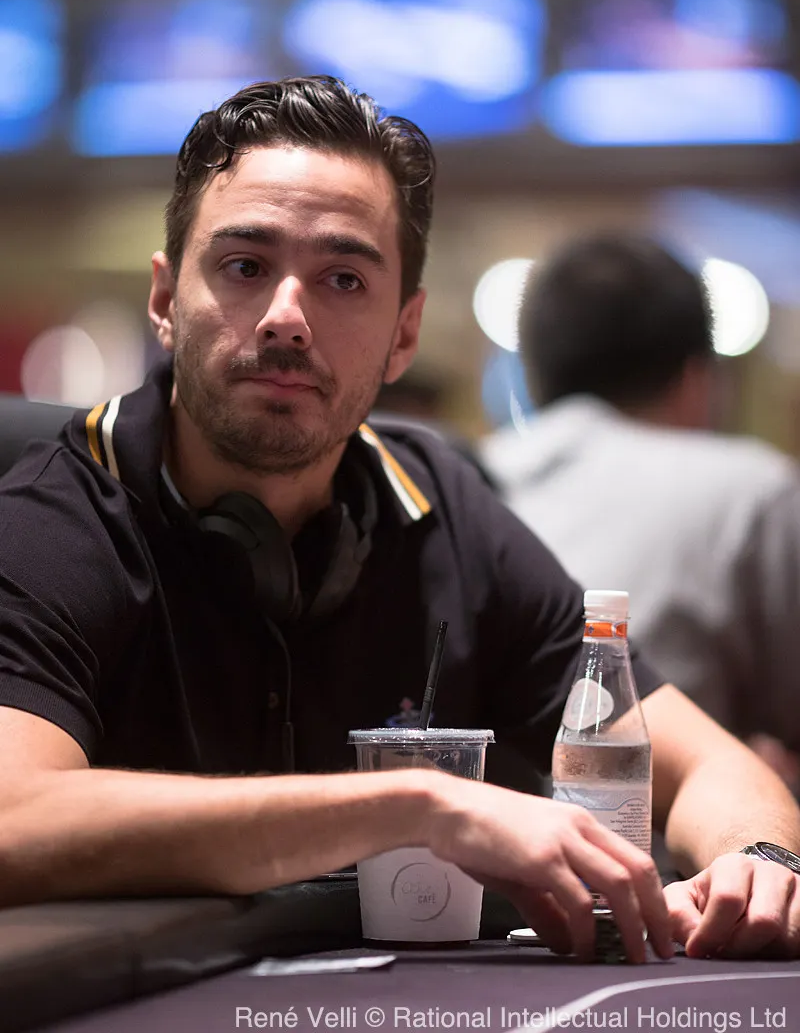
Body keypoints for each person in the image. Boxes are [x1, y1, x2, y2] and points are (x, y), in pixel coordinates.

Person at [1, 81, 799, 966]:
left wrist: (758, 858)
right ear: (164, 298)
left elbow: (707, 763)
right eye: (245, 266)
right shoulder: (55, 519)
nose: (287, 319)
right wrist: (414, 807)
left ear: (404, 335)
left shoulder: (442, 507)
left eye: (344, 279)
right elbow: (11, 817)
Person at [483, 231, 800, 786]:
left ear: (530, 372)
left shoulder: (465, 478)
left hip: (479, 829)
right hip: (668, 828)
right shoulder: (749, 489)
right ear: (696, 375)